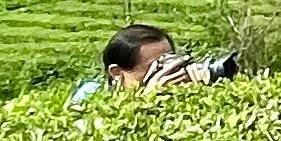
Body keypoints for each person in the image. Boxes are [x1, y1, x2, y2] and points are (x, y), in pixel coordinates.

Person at [71, 23, 232, 103]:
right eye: (154, 66)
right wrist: (149, 98)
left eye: (169, 60)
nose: (167, 71)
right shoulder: (89, 95)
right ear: (117, 72)